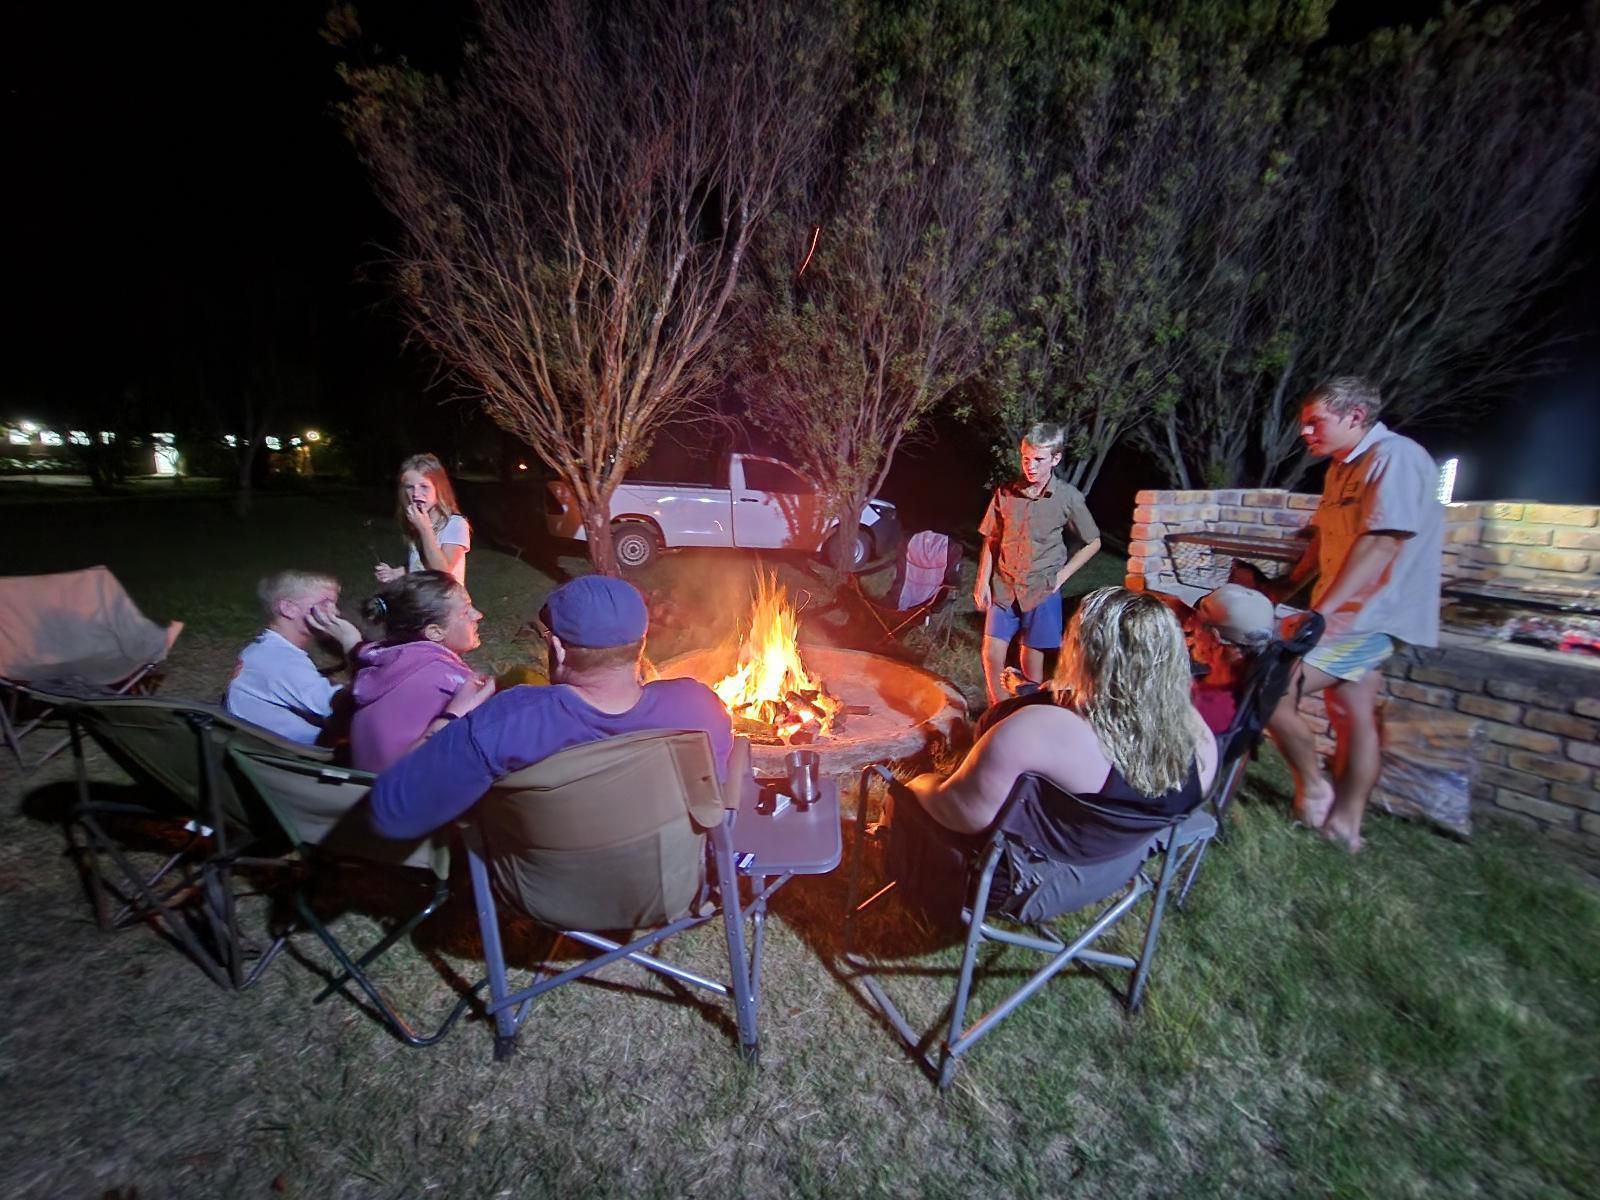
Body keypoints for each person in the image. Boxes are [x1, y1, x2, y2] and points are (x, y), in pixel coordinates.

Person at [902, 586, 1217, 902]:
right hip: (1111, 873)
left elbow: (958, 813)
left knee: (902, 801)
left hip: (1013, 884)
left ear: (1085, 652)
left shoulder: (1040, 729)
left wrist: (916, 784)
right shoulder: (1201, 742)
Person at [369, 575, 732, 840]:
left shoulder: (510, 719)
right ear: (641, 643)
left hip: (543, 889)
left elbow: (391, 813)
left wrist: (448, 720)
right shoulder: (700, 707)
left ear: (557, 649)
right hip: (662, 885)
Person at [1267, 376, 1443, 852]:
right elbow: (1324, 537)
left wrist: (1319, 614)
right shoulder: (1343, 467)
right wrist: (1285, 586)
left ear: (1355, 417)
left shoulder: (1395, 458)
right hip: (1346, 611)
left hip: (1371, 614)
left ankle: (1313, 785)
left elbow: (1384, 540)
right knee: (1351, 712)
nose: (1305, 432)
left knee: (1271, 689)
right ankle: (1346, 826)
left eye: (1314, 422)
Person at [974, 422, 1102, 705]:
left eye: (1039, 460)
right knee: (991, 653)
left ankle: (1027, 709)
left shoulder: (1068, 498)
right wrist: (982, 581)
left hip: (1041, 589)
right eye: (1026, 458)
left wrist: (1061, 577)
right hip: (1004, 586)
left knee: (1031, 660)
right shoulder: (1005, 494)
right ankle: (997, 711)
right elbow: (991, 539)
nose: (1030, 466)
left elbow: (1094, 542)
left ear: (1055, 459)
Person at [348, 571, 497, 773]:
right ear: (435, 632)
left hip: (364, 780)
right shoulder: (448, 679)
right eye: (466, 611)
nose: (478, 615)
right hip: (403, 791)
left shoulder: (388, 657)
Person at [225, 570, 362, 745]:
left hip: (274, 747)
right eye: (325, 603)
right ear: (288, 609)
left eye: (334, 604)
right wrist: (353, 645)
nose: (335, 612)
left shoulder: (268, 650)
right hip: (296, 757)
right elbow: (351, 707)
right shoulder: (280, 661)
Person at [374, 453, 471, 585]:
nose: (416, 494)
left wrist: (425, 529)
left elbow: (443, 573)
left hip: (445, 603)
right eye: (410, 487)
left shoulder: (455, 524)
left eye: (424, 486)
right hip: (420, 600)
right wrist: (397, 573)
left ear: (438, 488)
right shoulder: (418, 521)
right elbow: (421, 564)